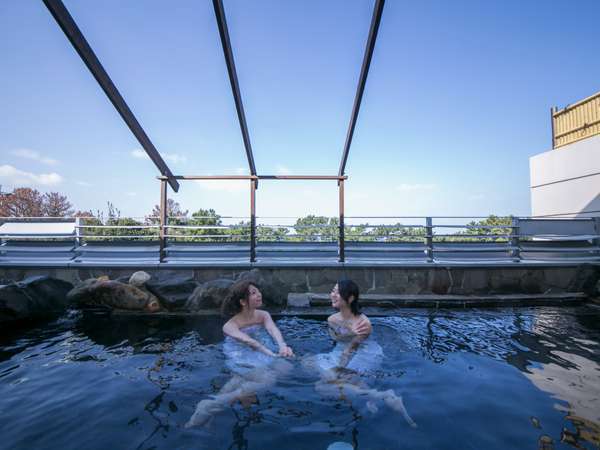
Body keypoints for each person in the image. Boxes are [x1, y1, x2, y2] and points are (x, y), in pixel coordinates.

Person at [310, 279, 417, 428]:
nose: (332, 295)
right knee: (315, 373)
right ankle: (375, 397)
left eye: (336, 292)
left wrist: (338, 369)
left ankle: (376, 396)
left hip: (364, 352)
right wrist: (348, 334)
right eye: (332, 291)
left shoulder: (363, 324)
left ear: (351, 298)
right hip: (342, 350)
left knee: (331, 380)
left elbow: (351, 348)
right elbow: (336, 338)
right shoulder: (332, 319)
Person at [186, 280, 293, 428]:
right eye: (253, 293)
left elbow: (273, 330)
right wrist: (271, 353)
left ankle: (209, 408)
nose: (259, 294)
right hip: (241, 355)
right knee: (268, 379)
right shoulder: (230, 325)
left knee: (284, 369)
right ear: (243, 301)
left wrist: (282, 346)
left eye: (258, 291)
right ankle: (215, 404)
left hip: (260, 352)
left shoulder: (263, 315)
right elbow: (250, 342)